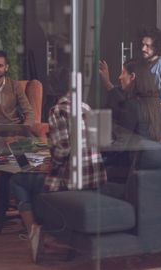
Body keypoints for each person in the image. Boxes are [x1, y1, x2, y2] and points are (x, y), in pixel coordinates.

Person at [10, 76, 107, 263]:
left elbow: (62, 149)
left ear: (54, 89)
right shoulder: (86, 107)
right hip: (93, 177)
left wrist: (50, 162)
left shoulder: (58, 110)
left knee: (17, 179)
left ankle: (33, 234)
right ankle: (50, 232)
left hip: (71, 180)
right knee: (37, 179)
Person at [99, 26, 161, 98]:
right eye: (143, 45)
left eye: (148, 46)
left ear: (156, 46)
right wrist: (107, 82)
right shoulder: (142, 64)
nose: (143, 49)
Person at [106, 59, 161, 141]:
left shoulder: (132, 105)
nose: (120, 77)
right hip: (150, 152)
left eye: (123, 73)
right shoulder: (153, 103)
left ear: (132, 76)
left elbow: (122, 144)